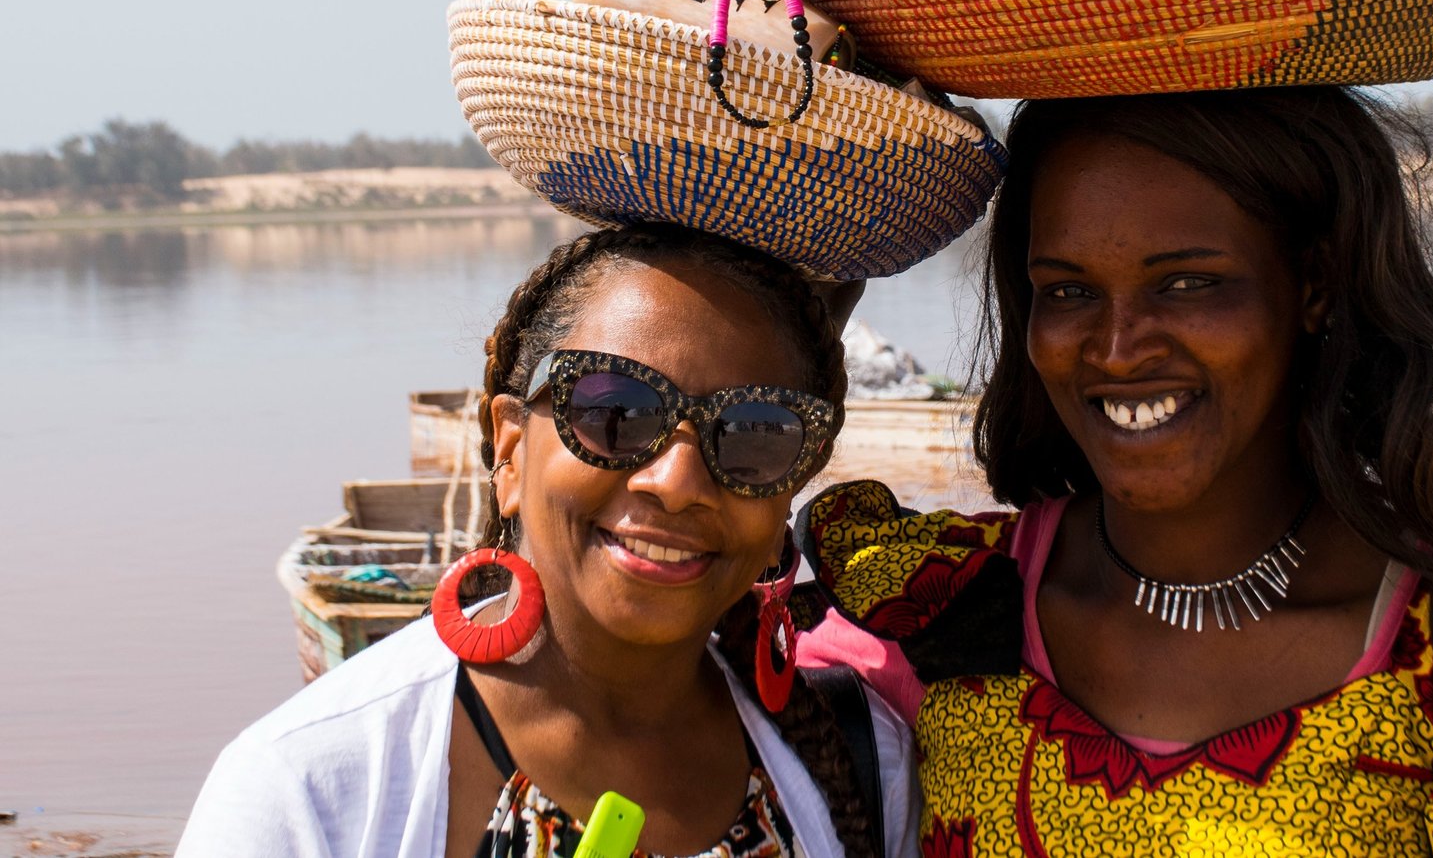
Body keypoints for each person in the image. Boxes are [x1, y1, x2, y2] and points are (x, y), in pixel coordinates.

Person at [799, 89, 1433, 857]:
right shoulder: (926, 617)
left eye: (1186, 283)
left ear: (1314, 284)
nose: (1116, 348)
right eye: (1067, 290)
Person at [179, 224, 917, 858]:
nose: (677, 479)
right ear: (508, 449)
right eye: (615, 410)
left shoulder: (863, 761)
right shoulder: (307, 789)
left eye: (754, 433)